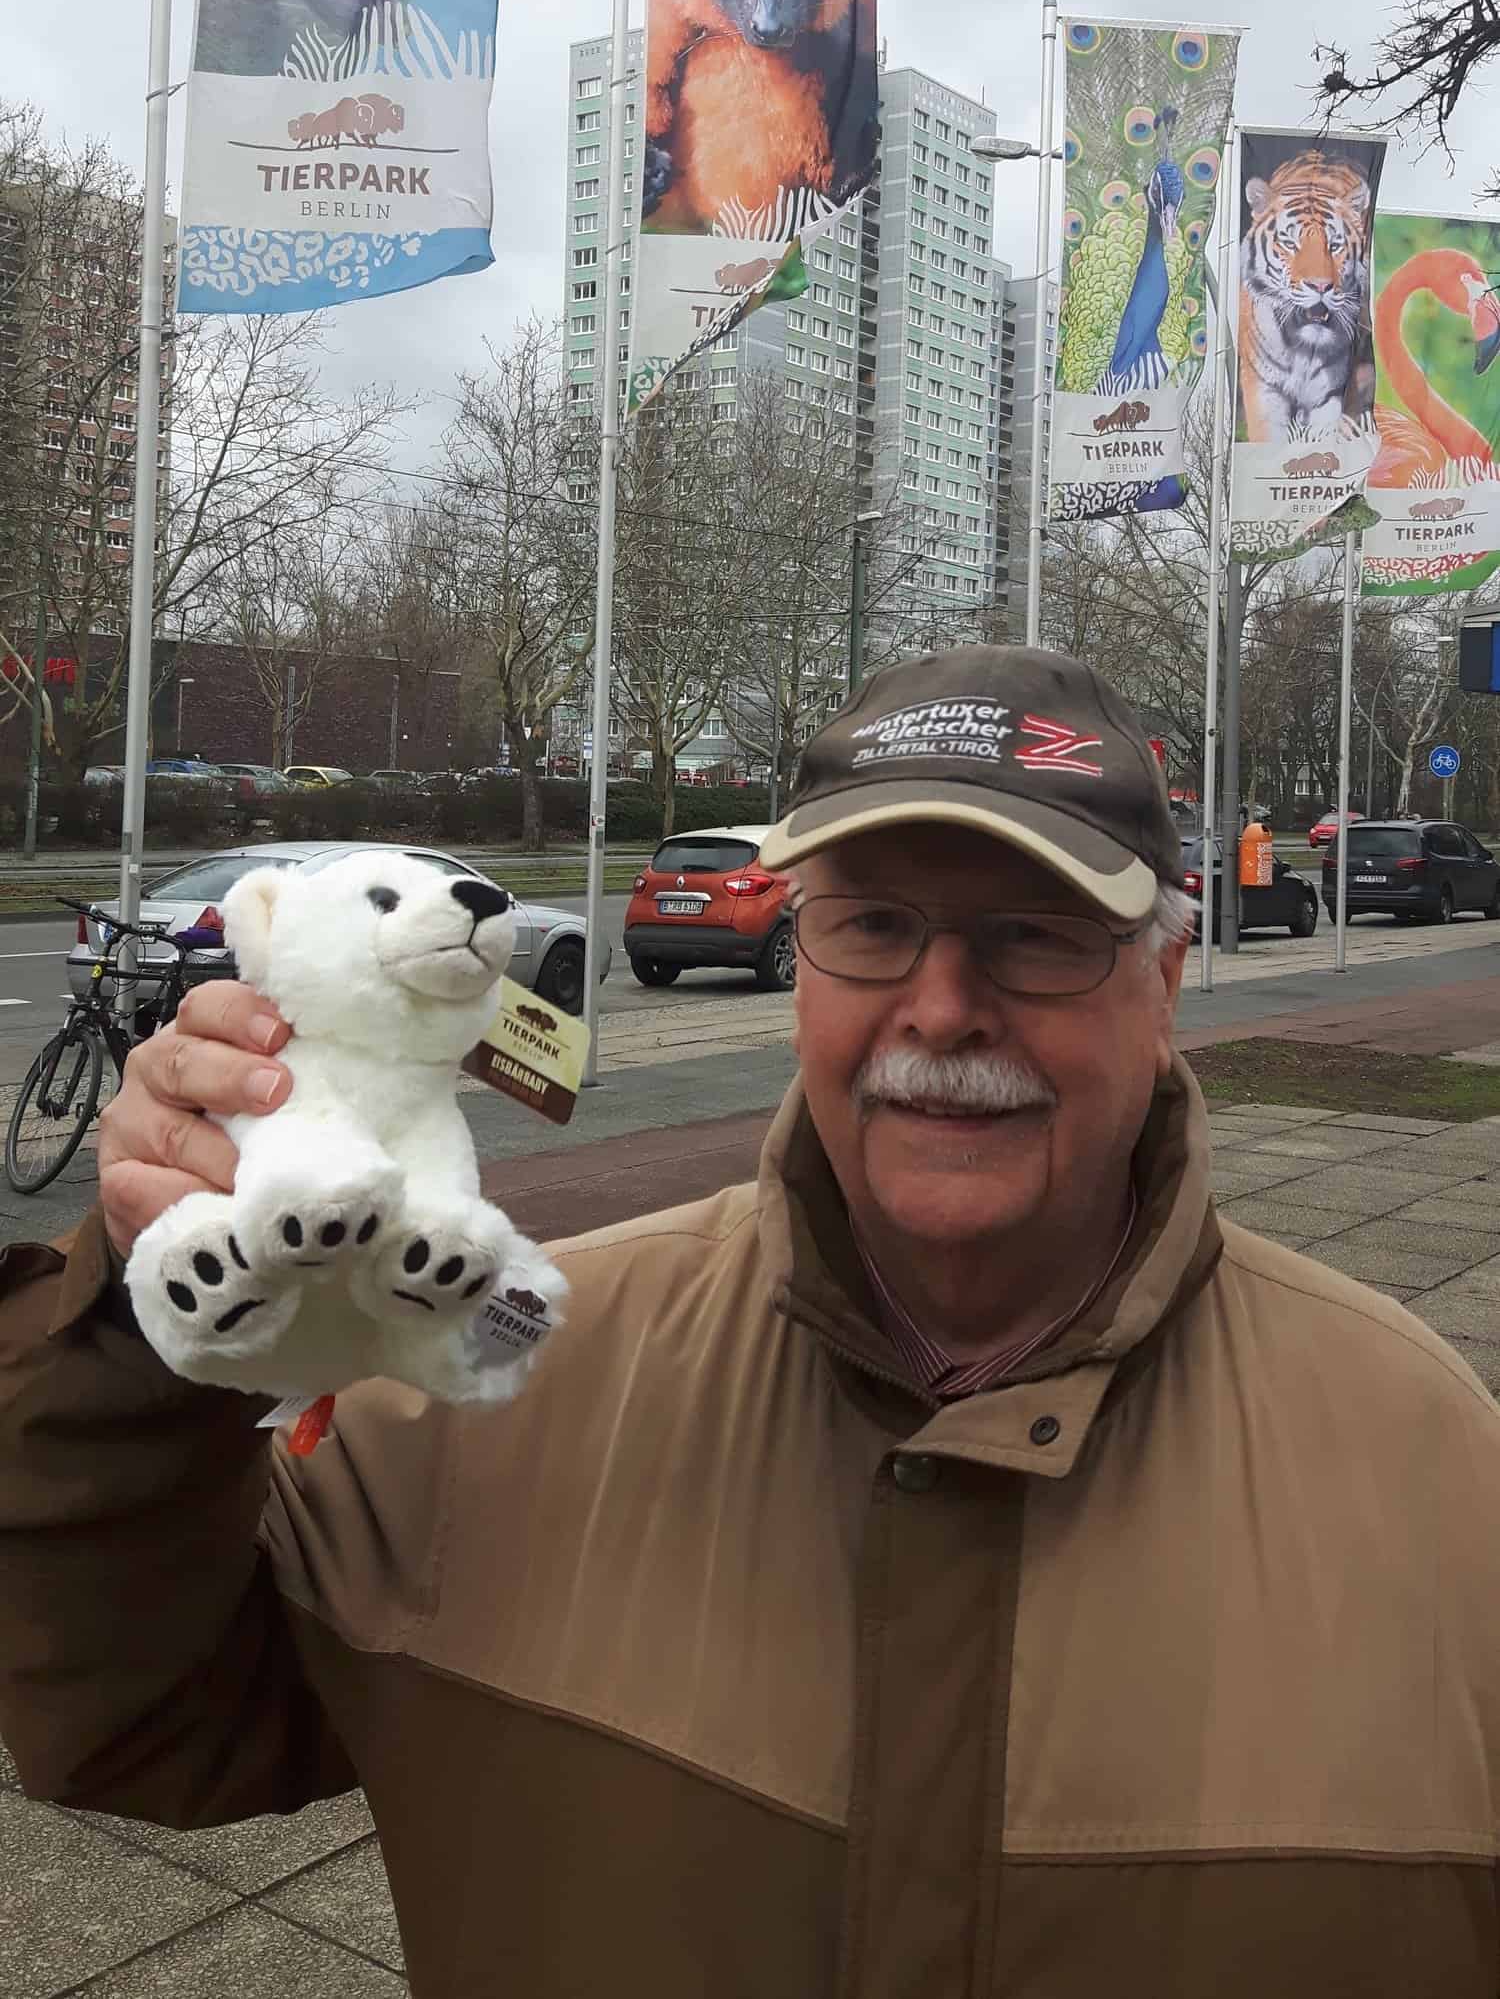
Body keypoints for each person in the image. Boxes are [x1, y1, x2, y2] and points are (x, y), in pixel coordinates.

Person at [2, 644, 1500, 1996]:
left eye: (1037, 937)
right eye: (877, 928)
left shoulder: (1440, 1476)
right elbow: (132, 1723)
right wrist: (155, 1315)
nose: (941, 1007)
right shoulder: (522, 1368)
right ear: (804, 961)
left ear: (1165, 979)